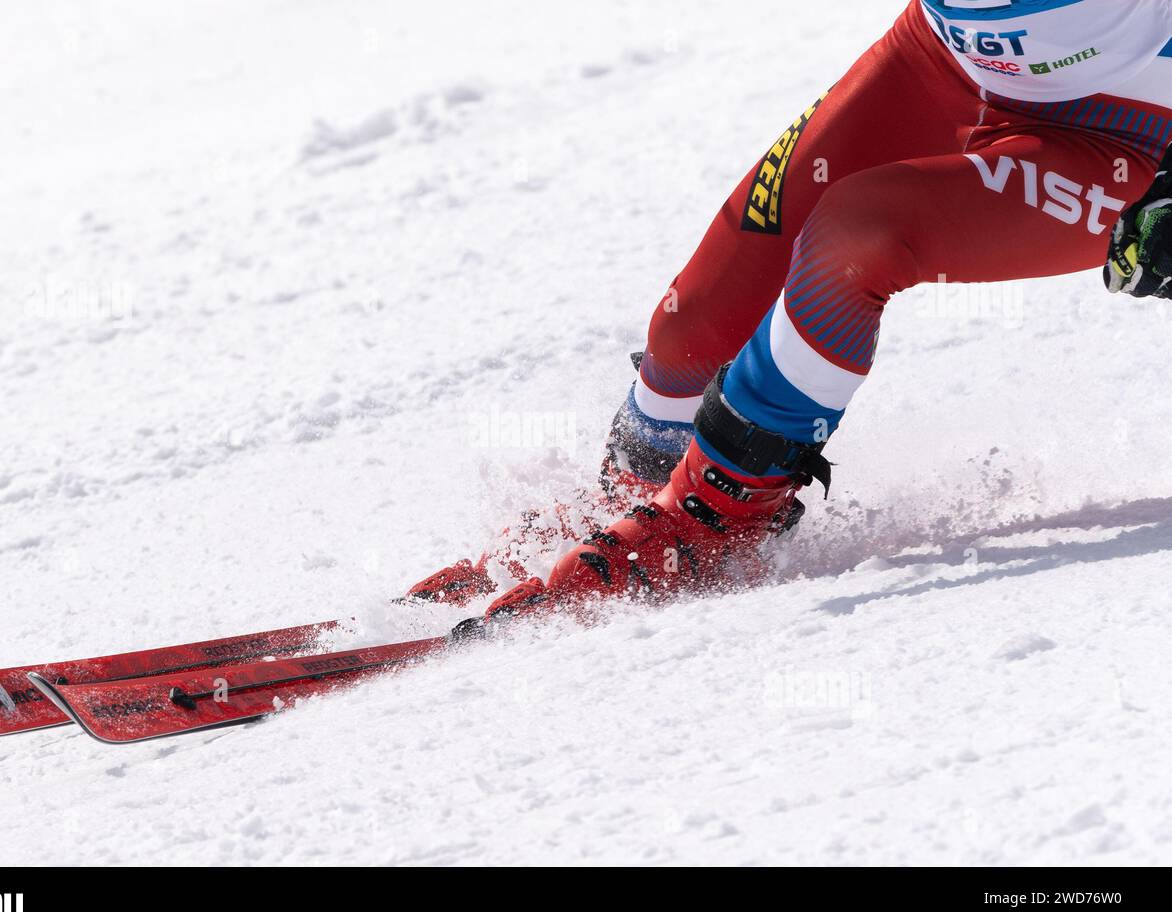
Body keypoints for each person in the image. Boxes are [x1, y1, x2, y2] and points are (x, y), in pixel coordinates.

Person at [410, 0, 1172, 621]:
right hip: (946, 59)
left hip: (1125, 127)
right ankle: (638, 495)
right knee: (691, 330)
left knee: (856, 237)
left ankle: (716, 517)